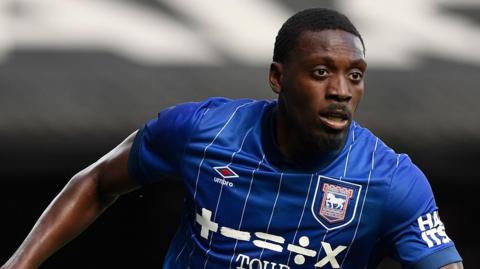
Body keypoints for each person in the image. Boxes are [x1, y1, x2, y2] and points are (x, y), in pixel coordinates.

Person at [1, 8, 463, 269]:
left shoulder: (390, 181)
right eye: (321, 72)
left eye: (355, 75)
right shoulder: (203, 131)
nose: (341, 90)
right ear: (278, 78)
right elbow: (97, 182)